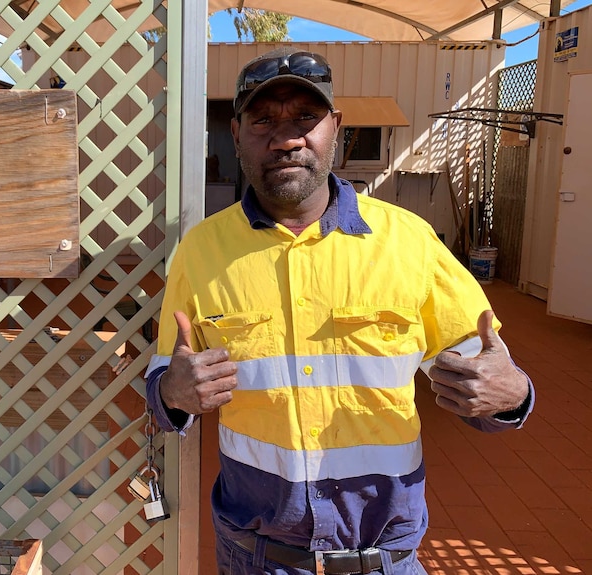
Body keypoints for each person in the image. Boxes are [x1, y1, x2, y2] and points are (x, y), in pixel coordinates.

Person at [144, 47, 534, 575]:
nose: (285, 137)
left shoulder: (410, 243)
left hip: (386, 559)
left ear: (337, 128)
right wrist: (172, 391)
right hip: (257, 558)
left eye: (306, 117)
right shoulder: (201, 251)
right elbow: (166, 378)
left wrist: (511, 395)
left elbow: (485, 379)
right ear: (236, 135)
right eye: (262, 120)